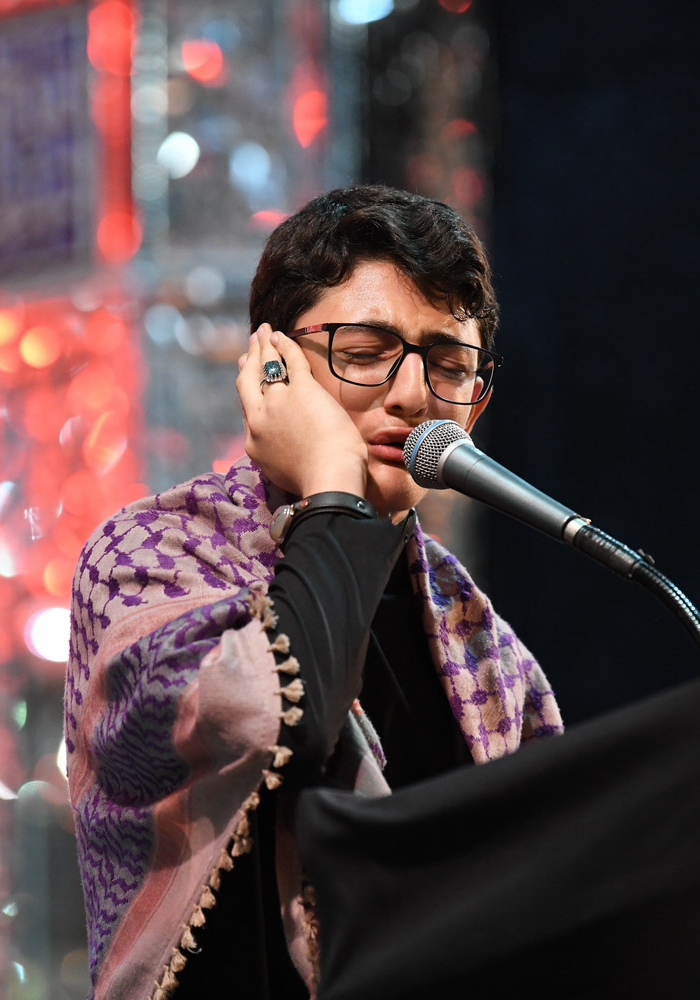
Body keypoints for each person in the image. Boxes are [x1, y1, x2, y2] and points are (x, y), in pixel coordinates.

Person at [65, 185, 563, 1000]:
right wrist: (333, 484)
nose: (413, 396)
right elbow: (273, 720)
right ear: (273, 368)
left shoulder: (486, 646)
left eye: (450, 366)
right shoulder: (146, 557)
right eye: (365, 351)